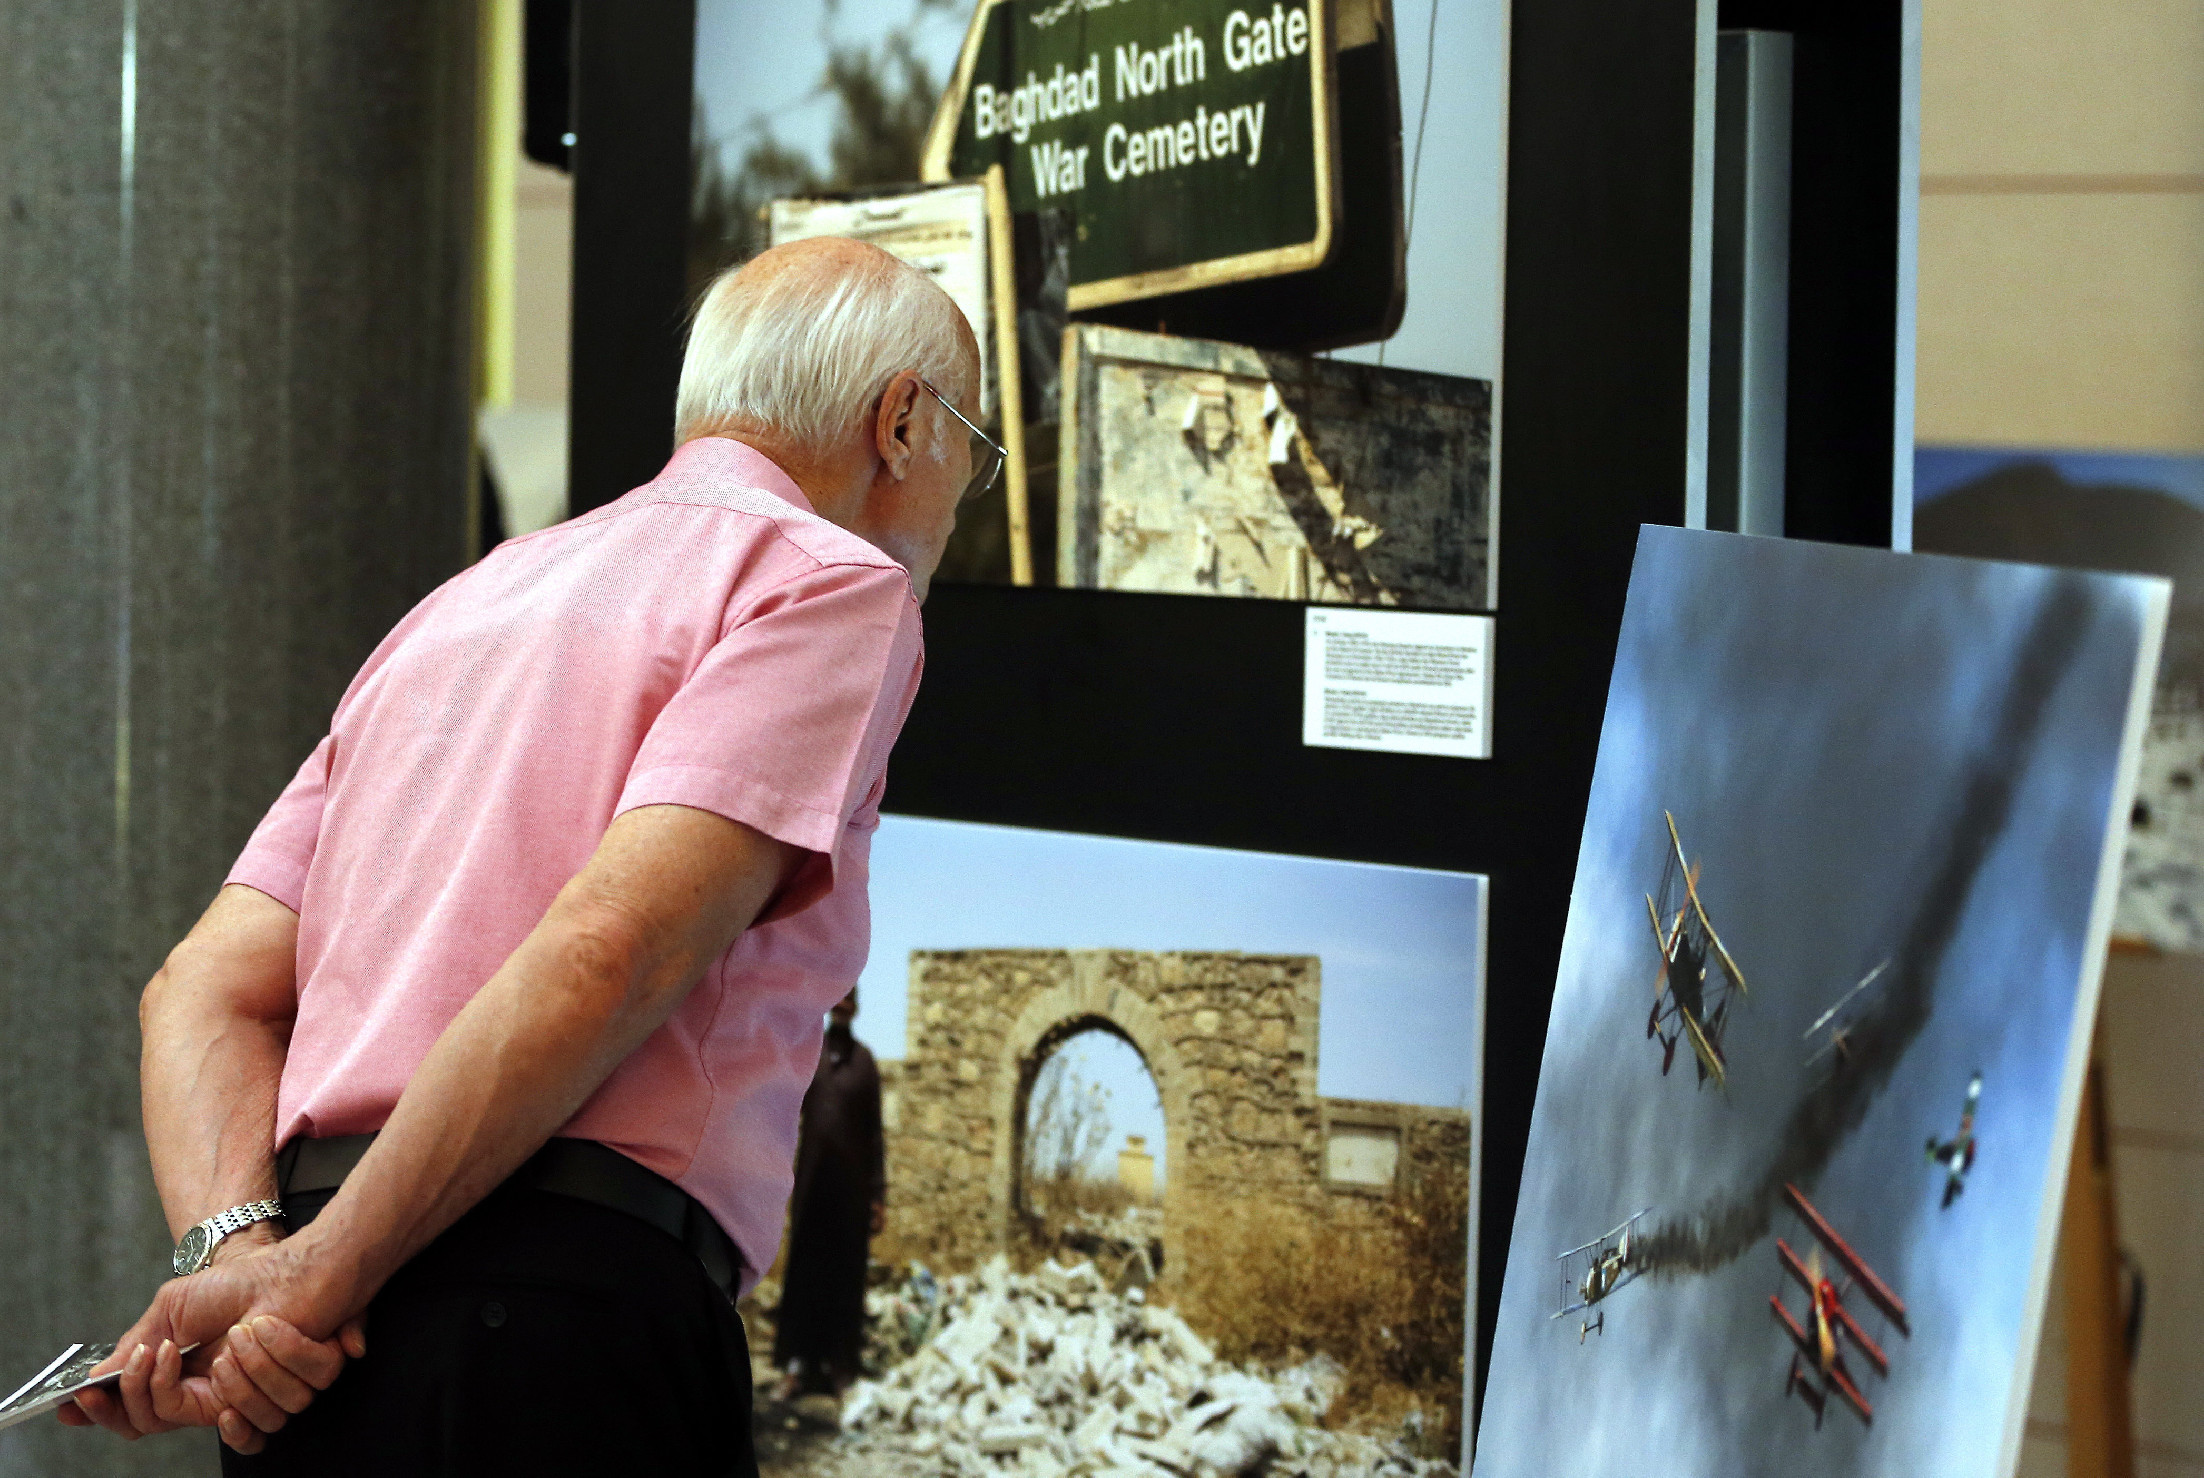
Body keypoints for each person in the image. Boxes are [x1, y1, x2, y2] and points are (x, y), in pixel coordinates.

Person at [63, 235, 996, 1475]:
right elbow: (611, 948)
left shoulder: (459, 603)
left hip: (303, 1368)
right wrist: (302, 1280)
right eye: (970, 452)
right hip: (562, 1332)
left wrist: (246, 1266)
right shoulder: (828, 583)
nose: (958, 498)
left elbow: (196, 990)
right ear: (901, 422)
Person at [771, 987, 885, 1399]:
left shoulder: (865, 1064)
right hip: (812, 1188)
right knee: (804, 1273)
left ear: (855, 1009)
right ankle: (798, 1366)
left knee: (845, 1276)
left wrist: (878, 1196)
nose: (842, 1008)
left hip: (851, 1194)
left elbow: (875, 1135)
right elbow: (783, 1117)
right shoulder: (808, 1056)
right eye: (837, 1001)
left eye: (849, 1002)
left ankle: (840, 1367)